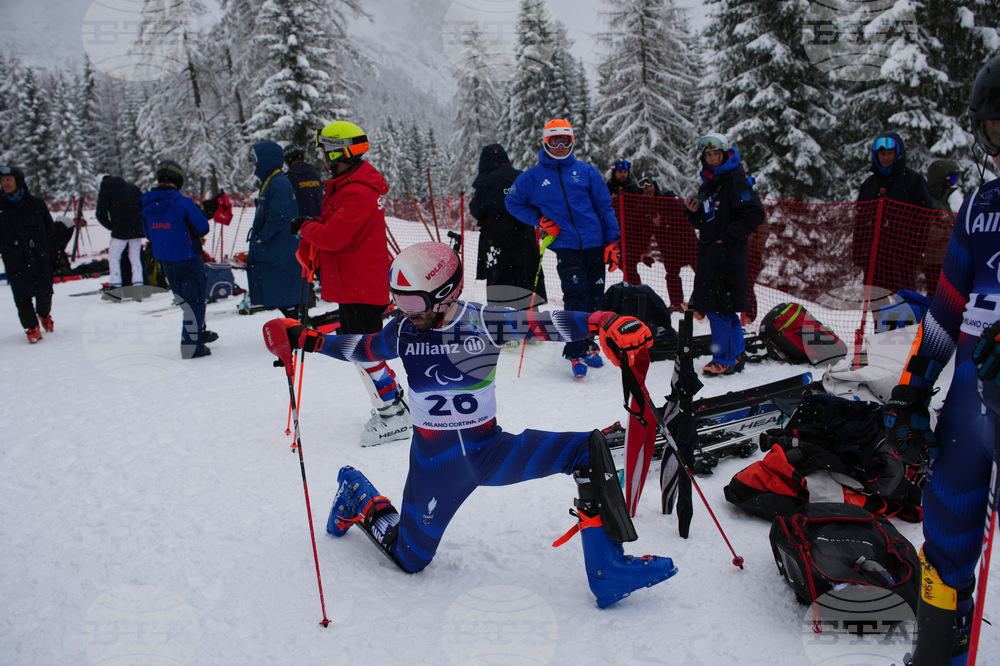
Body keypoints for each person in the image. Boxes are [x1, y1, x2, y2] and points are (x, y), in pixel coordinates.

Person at [263, 241, 677, 608]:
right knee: (410, 560)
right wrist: (307, 338)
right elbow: (363, 346)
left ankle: (608, 571)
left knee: (586, 450)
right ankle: (360, 497)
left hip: (491, 453)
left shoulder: (486, 321)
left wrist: (601, 321)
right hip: (435, 467)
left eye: (412, 303)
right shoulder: (405, 331)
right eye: (398, 302)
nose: (404, 313)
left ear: (445, 296)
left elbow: (546, 323)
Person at [882, 54, 1000, 666]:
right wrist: (912, 388)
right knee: (945, 537)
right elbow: (948, 306)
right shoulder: (980, 209)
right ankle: (939, 651)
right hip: (967, 410)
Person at [293, 120, 409, 446]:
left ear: (339, 151)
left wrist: (305, 227)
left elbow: (333, 237)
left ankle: (393, 414)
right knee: (360, 348)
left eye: (328, 151)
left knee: (362, 350)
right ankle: (392, 400)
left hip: (358, 283)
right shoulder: (350, 185)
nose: (326, 159)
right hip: (354, 282)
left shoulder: (356, 191)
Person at [505, 118, 622, 378]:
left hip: (595, 244)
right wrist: (541, 221)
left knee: (594, 297)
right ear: (545, 142)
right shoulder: (532, 178)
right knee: (575, 295)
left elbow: (604, 207)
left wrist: (613, 242)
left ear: (572, 141)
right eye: (554, 141)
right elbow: (513, 203)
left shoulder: (586, 172)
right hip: (566, 246)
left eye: (565, 141)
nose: (559, 146)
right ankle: (575, 351)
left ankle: (590, 344)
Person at [684, 133, 765, 376]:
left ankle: (724, 359)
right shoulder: (709, 183)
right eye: (708, 155)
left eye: (715, 154)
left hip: (728, 255)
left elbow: (754, 213)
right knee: (724, 309)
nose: (712, 158)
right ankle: (735, 354)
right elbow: (706, 221)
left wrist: (727, 237)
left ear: (724, 153)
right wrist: (692, 213)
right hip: (710, 253)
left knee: (718, 308)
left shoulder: (735, 181)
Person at [141, 159, 215, 359]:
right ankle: (192, 346)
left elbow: (148, 234)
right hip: (188, 258)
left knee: (184, 300)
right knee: (196, 300)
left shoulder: (147, 203)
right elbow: (202, 227)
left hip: (166, 260)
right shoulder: (183, 202)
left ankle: (198, 332)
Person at [853, 131, 933, 294]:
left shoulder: (913, 180)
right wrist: (858, 251)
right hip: (873, 255)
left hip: (902, 255)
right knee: (877, 303)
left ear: (898, 154)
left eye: (890, 153)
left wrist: (916, 251)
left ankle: (903, 321)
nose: (886, 157)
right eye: (882, 154)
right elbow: (860, 219)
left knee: (903, 304)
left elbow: (924, 217)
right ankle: (879, 321)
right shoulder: (870, 184)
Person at [469, 143, 546, 310]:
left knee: (500, 286)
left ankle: (505, 328)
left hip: (495, 241)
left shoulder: (483, 181)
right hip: (524, 238)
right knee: (526, 280)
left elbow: (476, 209)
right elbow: (537, 203)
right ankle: (531, 322)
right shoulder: (520, 177)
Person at [246, 142, 304, 318]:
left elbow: (278, 217)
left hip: (278, 251)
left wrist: (260, 238)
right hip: (275, 251)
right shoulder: (272, 181)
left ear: (266, 159)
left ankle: (296, 331)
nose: (254, 164)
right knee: (281, 295)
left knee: (285, 295)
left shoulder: (278, 183)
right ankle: (294, 329)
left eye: (256, 159)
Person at [0, 165, 54, 343]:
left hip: (38, 255)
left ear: (18, 180)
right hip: (14, 257)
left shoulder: (35, 204)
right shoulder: (1, 207)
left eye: (8, 179)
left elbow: (49, 227)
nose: (5, 183)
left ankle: (44, 314)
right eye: (2, 180)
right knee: (22, 295)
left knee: (45, 291)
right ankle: (31, 327)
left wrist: (44, 247)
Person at [636, 172, 696, 312]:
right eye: (644, 187)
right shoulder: (644, 205)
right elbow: (646, 229)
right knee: (672, 275)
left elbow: (684, 212)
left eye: (649, 185)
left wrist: (664, 220)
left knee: (700, 273)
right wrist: (644, 250)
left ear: (654, 184)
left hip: (686, 242)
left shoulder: (668, 196)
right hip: (668, 245)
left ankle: (701, 304)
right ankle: (676, 304)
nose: (647, 189)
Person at [95, 173, 145, 300]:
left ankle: (115, 288)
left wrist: (111, 226)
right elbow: (143, 205)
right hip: (136, 229)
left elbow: (100, 213)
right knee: (135, 258)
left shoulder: (106, 190)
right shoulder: (131, 187)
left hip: (120, 230)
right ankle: (138, 287)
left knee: (114, 257)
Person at [923, 159, 961, 298]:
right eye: (952, 179)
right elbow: (928, 231)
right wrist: (952, 231)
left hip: (947, 259)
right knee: (937, 297)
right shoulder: (928, 201)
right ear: (940, 179)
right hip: (934, 262)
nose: (954, 183)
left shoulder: (943, 200)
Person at [283, 144, 324, 219]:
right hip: (319, 221)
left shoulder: (290, 177)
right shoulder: (314, 174)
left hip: (299, 223)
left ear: (288, 159)